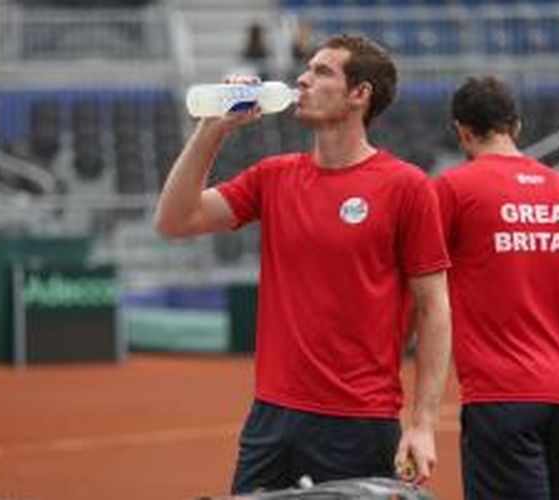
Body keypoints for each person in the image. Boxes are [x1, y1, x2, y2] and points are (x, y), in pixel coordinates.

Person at [155, 34, 452, 494]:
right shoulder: (273, 177)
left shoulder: (407, 187)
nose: (302, 78)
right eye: (307, 69)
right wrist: (212, 128)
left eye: (321, 72)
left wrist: (423, 423)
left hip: (359, 420)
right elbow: (175, 220)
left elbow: (434, 309)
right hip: (271, 419)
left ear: (360, 95)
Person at [434, 76, 559, 500]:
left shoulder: (452, 189)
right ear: (518, 126)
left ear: (461, 130)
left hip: (500, 397)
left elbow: (419, 286)